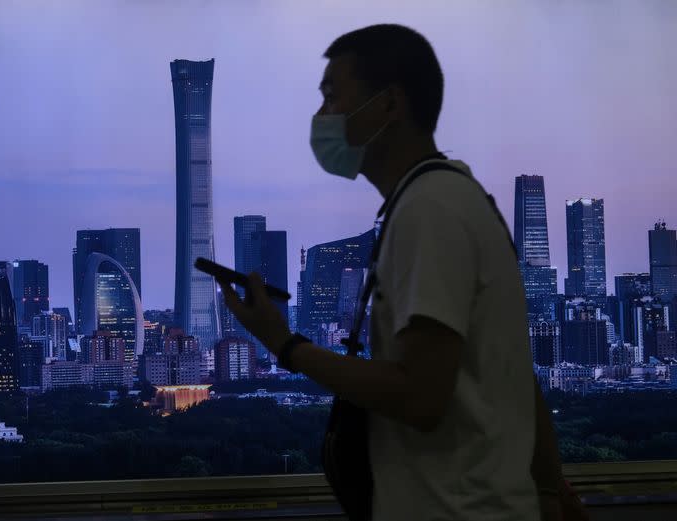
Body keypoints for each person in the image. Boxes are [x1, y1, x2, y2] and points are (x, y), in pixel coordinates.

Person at [220, 24, 576, 521]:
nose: (322, 117)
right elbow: (515, 378)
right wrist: (548, 492)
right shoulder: (457, 198)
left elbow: (419, 396)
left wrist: (285, 345)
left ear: (389, 104)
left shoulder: (429, 210)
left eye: (332, 96)